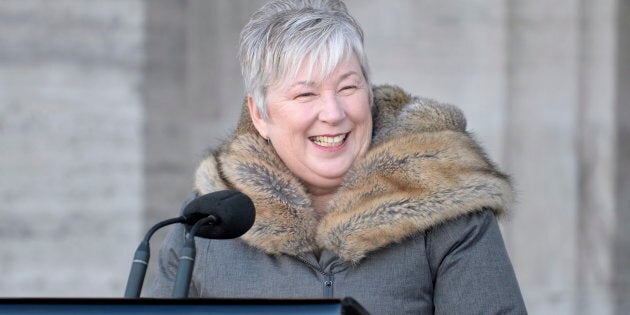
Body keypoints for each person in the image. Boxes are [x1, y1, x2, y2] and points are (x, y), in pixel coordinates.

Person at [149, 0, 527, 313]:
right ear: (261, 115)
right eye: (305, 95)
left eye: (348, 87)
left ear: (368, 91)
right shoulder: (207, 225)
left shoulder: (447, 203)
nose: (333, 113)